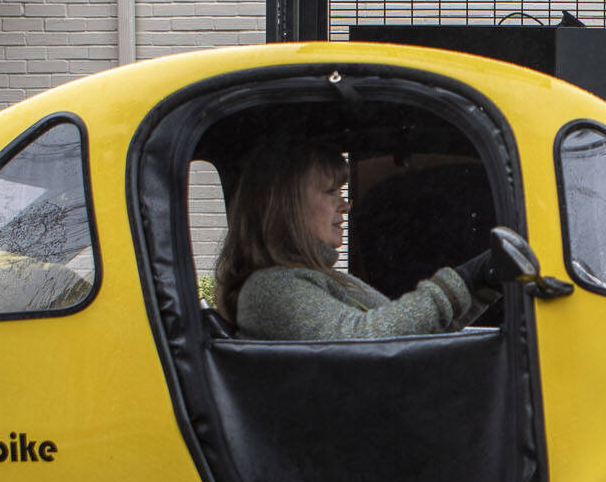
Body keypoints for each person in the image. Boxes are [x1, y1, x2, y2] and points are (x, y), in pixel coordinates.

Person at [213, 138, 502, 339]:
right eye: (330, 193)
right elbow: (367, 339)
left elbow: (416, 338)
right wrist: (462, 279)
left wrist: (483, 282)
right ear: (286, 207)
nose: (346, 206)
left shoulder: (319, 279)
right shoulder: (270, 289)